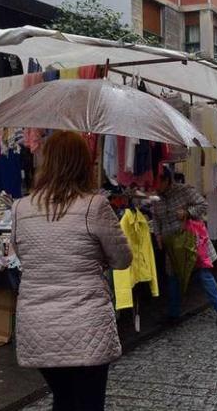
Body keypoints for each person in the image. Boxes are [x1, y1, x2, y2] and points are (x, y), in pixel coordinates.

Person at [12, 131, 133, 410]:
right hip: (86, 326)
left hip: (39, 326)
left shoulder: (20, 208)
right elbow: (122, 259)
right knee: (89, 403)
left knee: (63, 399)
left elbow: (22, 254)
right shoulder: (95, 206)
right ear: (82, 163)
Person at [153, 167, 217, 326]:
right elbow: (156, 219)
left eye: (157, 181)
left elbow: (203, 205)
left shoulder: (184, 190)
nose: (155, 186)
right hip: (172, 245)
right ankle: (173, 314)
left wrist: (187, 212)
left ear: (166, 180)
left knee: (204, 274)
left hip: (191, 241)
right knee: (173, 278)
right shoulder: (156, 199)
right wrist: (158, 234)